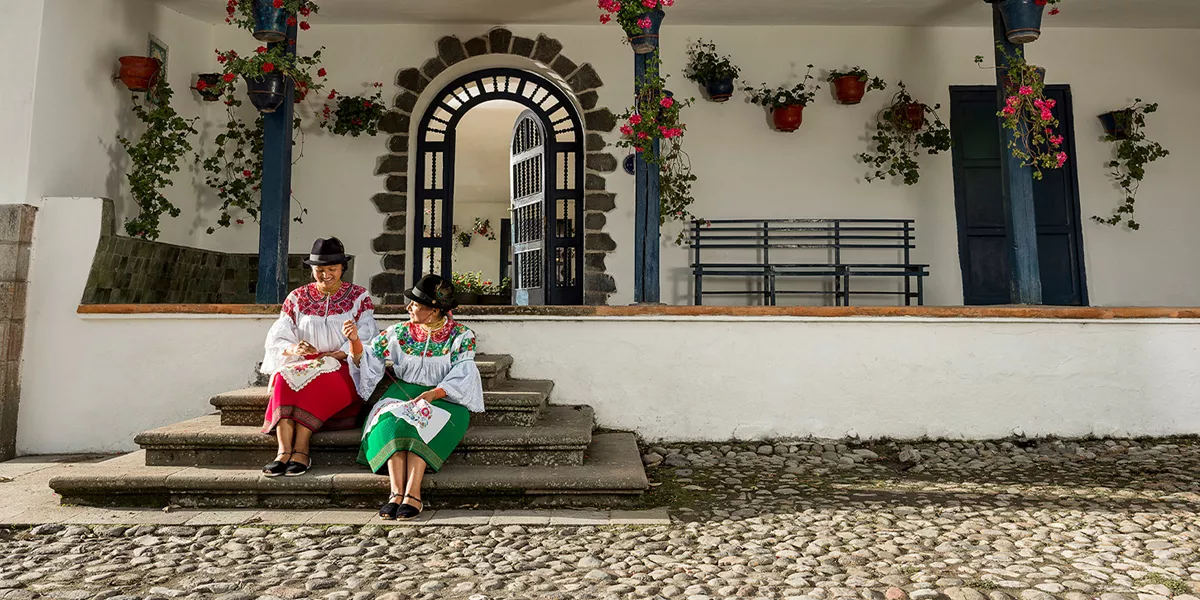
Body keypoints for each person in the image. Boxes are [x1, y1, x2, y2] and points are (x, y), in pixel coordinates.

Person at [344, 274, 484, 520]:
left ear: (433, 310)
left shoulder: (461, 335)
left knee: (420, 424)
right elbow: (368, 358)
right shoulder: (398, 332)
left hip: (445, 397)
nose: (408, 307)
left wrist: (433, 393)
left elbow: (464, 374)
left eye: (415, 304)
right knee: (393, 424)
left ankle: (413, 494)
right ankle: (395, 494)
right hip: (402, 393)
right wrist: (355, 341)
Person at [259, 237, 378, 477]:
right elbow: (279, 335)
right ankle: (283, 451)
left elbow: (367, 334)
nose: (325, 275)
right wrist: (294, 349)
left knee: (319, 380)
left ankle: (301, 448)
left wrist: (342, 350)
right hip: (305, 363)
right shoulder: (298, 297)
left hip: (342, 366)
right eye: (319, 270)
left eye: (332, 269)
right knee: (283, 376)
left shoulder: (358, 297)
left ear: (342, 268)